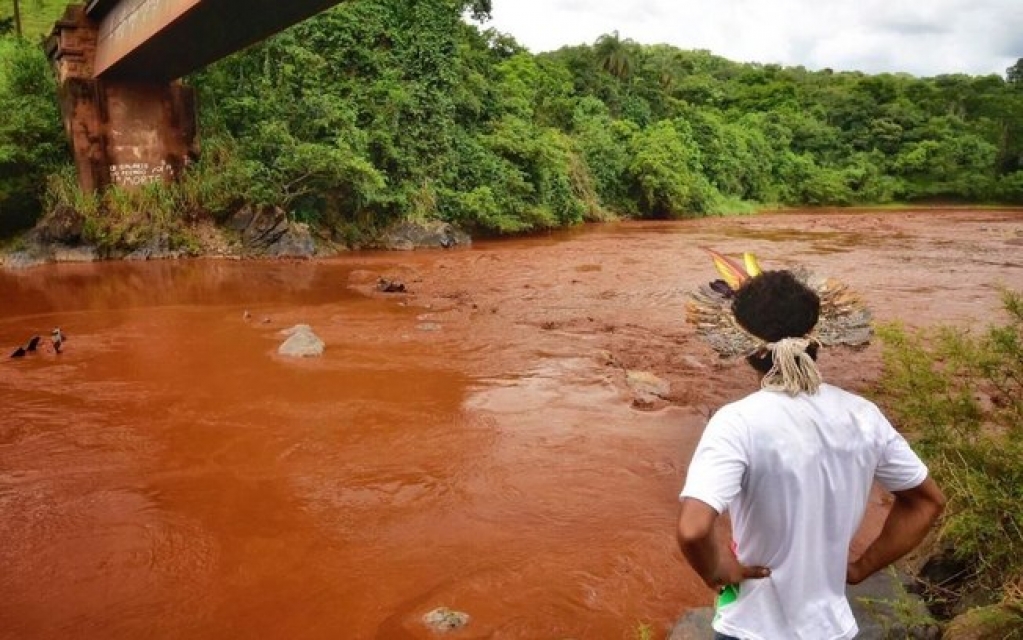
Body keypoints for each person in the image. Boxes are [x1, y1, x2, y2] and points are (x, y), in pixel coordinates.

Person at [677, 269, 945, 640]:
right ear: (816, 339)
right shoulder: (862, 415)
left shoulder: (737, 422)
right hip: (832, 628)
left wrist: (718, 569)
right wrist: (860, 568)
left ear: (747, 350)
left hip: (751, 628)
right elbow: (926, 503)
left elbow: (693, 530)